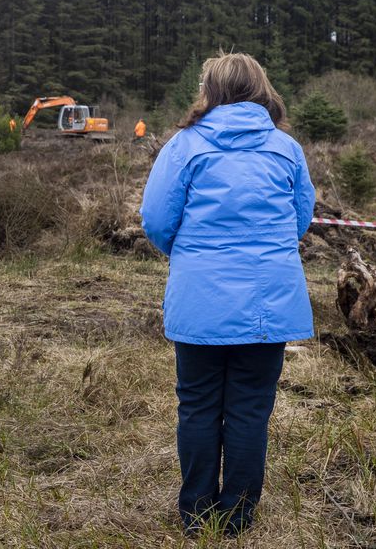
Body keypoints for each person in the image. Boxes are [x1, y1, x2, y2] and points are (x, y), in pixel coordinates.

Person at [139, 52, 316, 536]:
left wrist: (191, 255)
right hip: (269, 303)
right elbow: (300, 219)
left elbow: (155, 221)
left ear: (209, 90)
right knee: (249, 409)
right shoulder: (286, 149)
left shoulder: (184, 146)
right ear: (262, 89)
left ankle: (196, 514)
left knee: (196, 405)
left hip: (201, 301)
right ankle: (237, 518)